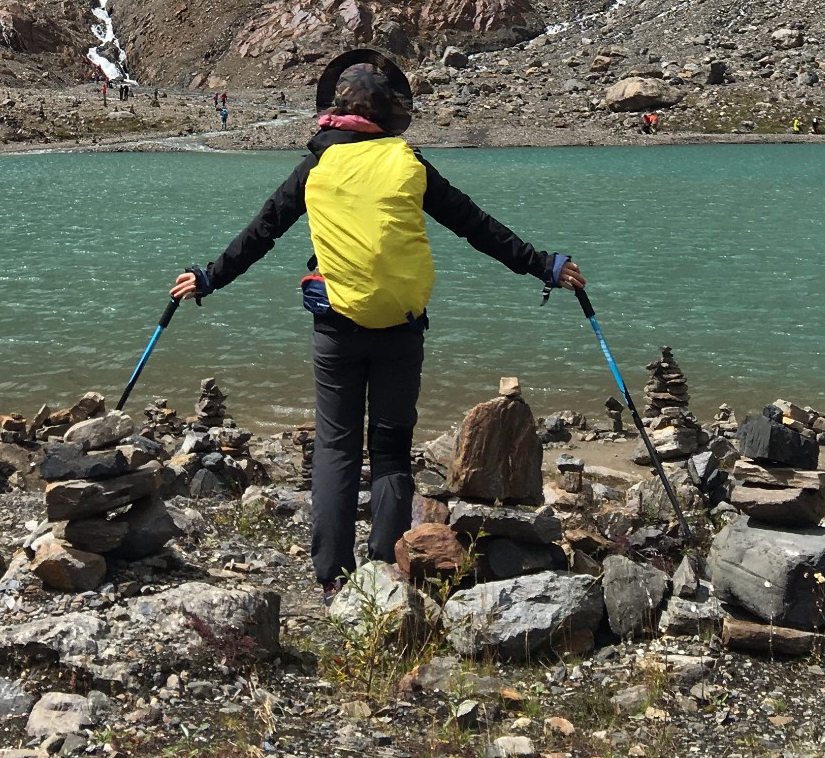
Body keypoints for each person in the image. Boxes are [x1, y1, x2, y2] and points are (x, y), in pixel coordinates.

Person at [172, 49, 583, 598]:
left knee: (336, 447)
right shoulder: (407, 163)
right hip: (401, 329)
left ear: (333, 110)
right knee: (390, 450)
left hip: (336, 329)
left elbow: (261, 233)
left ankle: (330, 577)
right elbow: (478, 227)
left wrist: (208, 279)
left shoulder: (317, 166)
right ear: (391, 113)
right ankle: (387, 568)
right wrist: (545, 265)